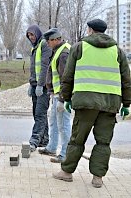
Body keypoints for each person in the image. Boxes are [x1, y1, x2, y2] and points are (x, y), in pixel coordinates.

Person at [52, 19, 131, 188]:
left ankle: (66, 172)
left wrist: (65, 98)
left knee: (77, 139)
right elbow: (126, 80)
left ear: (90, 30)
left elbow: (68, 76)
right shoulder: (117, 51)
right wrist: (126, 104)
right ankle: (97, 178)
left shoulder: (79, 47)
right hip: (110, 103)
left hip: (85, 102)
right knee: (103, 142)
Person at [38, 28, 72, 163]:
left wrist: (63, 100)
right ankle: (52, 147)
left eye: (49, 41)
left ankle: (65, 154)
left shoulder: (64, 53)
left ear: (56, 40)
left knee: (63, 125)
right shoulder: (58, 50)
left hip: (62, 96)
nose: (47, 44)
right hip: (56, 94)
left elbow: (66, 79)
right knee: (54, 122)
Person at [26, 24, 52, 152]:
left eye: (32, 34)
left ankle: (34, 141)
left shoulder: (44, 45)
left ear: (37, 33)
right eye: (29, 35)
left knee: (40, 114)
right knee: (38, 114)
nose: (31, 37)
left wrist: (41, 84)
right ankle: (44, 140)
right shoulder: (35, 48)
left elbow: (44, 67)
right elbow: (33, 69)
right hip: (36, 85)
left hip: (43, 87)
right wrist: (31, 84)